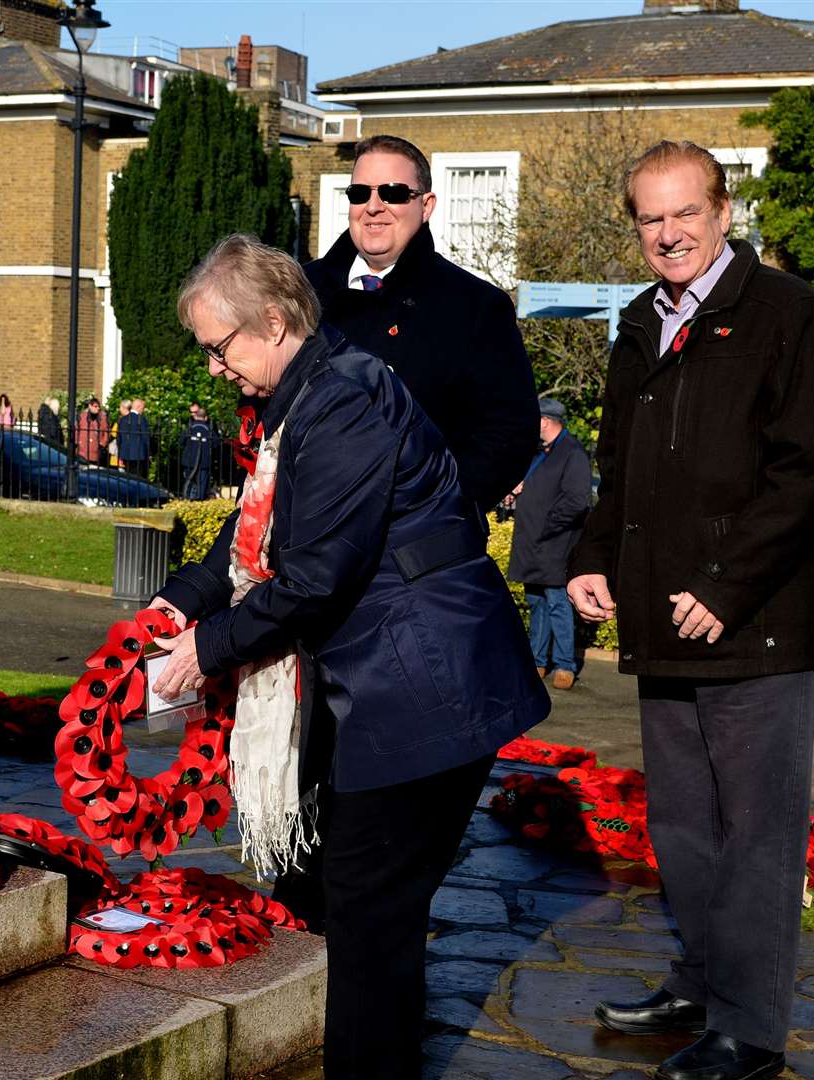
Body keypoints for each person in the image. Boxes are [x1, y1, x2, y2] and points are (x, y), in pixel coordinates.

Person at [149, 234, 548, 1079]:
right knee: (359, 910)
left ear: (272, 320)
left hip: (423, 690)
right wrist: (181, 598)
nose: (214, 369)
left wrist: (203, 651)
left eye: (218, 348)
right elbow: (253, 525)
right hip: (400, 685)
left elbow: (314, 575)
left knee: (370, 923)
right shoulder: (310, 396)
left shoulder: (343, 400)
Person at [566, 141, 814, 1080]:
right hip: (658, 622)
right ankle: (697, 980)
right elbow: (618, 474)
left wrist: (725, 587)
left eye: (685, 212)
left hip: (757, 625)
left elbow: (805, 473)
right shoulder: (641, 324)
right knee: (680, 829)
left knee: (755, 835)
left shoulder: (786, 315)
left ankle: (750, 1030)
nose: (668, 233)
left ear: (724, 214)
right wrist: (592, 560)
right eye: (650, 217)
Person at [304, 133, 537, 518]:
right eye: (360, 193)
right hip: (308, 538)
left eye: (393, 193)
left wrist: (437, 512)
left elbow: (508, 434)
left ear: (425, 205)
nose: (373, 207)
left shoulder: (474, 305)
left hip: (415, 551)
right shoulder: (298, 293)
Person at [507, 397, 595, 691]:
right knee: (537, 603)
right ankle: (537, 660)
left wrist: (546, 524)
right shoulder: (537, 453)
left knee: (557, 603)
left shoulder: (572, 453)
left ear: (545, 421)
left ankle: (564, 664)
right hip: (532, 544)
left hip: (556, 544)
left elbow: (576, 501)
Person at [179, 405, 214, 500]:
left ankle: (187, 500)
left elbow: (181, 441)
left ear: (195, 416)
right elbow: (216, 444)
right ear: (206, 418)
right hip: (204, 462)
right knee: (202, 486)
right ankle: (200, 501)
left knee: (188, 483)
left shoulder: (190, 428)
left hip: (189, 461)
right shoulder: (209, 430)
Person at [120, 398, 152, 479]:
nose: (143, 410)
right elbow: (145, 438)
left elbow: (119, 438)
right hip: (139, 455)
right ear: (138, 407)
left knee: (127, 478)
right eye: (143, 408)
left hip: (126, 454)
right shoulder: (141, 419)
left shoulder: (122, 419)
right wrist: (149, 453)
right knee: (138, 479)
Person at [75, 398, 109, 464]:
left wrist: (102, 444)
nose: (98, 408)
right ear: (90, 406)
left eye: (98, 407)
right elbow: (76, 430)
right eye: (95, 406)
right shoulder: (82, 416)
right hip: (82, 451)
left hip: (95, 451)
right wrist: (77, 442)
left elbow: (107, 432)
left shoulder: (102, 418)